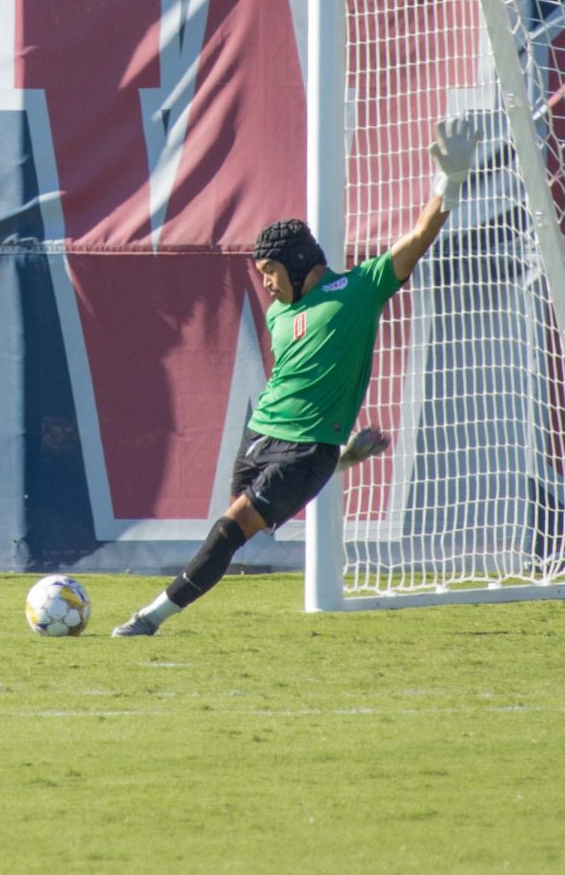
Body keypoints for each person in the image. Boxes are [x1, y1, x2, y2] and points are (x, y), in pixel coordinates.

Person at [112, 115, 481, 635]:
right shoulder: (279, 313)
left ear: (301, 262)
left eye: (270, 273)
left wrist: (451, 181)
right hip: (260, 432)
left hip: (307, 447)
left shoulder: (361, 288)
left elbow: (419, 237)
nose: (266, 284)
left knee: (228, 533)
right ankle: (343, 460)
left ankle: (151, 617)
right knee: (234, 522)